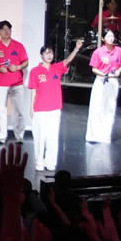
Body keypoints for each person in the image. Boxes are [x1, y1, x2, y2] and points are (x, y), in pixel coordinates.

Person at [28, 40, 83, 171]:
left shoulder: (56, 68)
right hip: (40, 109)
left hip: (55, 109)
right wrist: (31, 107)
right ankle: (39, 162)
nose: (49, 55)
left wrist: (76, 49)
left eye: (51, 53)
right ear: (41, 55)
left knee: (53, 137)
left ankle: (51, 163)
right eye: (47, 53)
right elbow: (33, 90)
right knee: (40, 137)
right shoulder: (35, 71)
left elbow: (67, 60)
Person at [85, 30, 121, 143]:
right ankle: (93, 135)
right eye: (108, 36)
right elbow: (94, 69)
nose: (111, 38)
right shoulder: (98, 52)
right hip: (101, 80)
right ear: (103, 38)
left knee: (110, 109)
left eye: (112, 36)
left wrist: (118, 71)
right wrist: (103, 74)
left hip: (113, 81)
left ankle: (106, 135)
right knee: (96, 108)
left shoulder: (119, 51)